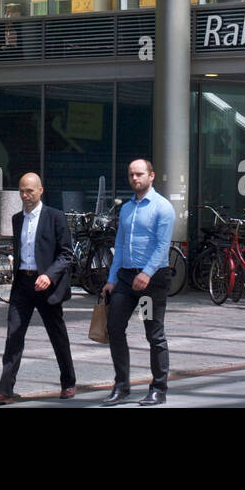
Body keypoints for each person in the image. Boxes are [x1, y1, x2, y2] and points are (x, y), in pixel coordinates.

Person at [0, 173, 76, 404]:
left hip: (46, 285)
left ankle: (68, 382)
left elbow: (67, 254)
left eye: (30, 191)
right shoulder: (17, 219)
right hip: (23, 285)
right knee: (13, 335)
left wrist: (49, 275)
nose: (25, 196)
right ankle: (5, 390)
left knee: (57, 335)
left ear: (41, 191)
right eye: (22, 191)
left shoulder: (55, 217)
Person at [102, 159, 175, 406]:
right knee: (114, 327)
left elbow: (162, 246)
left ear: (151, 176)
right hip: (125, 279)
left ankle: (158, 388)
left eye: (140, 174)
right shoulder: (126, 208)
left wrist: (146, 273)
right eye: (132, 174)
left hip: (150, 283)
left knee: (152, 332)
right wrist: (112, 279)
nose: (135, 178)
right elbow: (120, 246)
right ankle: (121, 386)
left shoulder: (161, 207)